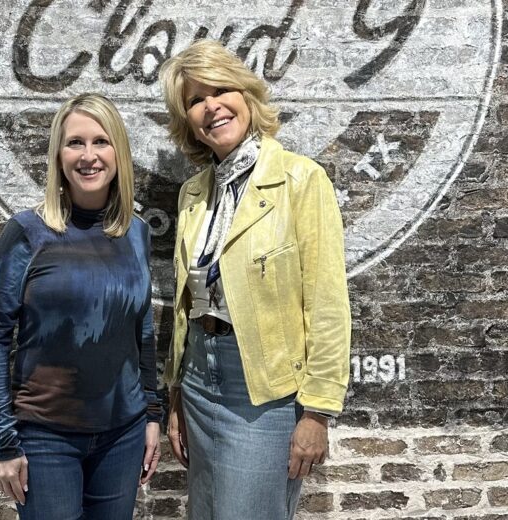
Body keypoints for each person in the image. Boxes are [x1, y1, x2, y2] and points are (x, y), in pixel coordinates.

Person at [159, 39, 351, 520]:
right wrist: (177, 396)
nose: (211, 107)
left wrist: (317, 413)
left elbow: (327, 303)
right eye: (195, 100)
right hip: (199, 379)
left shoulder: (300, 180)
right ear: (188, 121)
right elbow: (187, 306)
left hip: (263, 389)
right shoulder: (194, 194)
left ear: (246, 95)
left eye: (221, 90)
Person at [0, 93, 161, 520]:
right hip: (45, 438)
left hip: (123, 434)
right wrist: (4, 442)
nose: (89, 156)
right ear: (58, 155)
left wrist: (152, 413)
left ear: (119, 153)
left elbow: (142, 331)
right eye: (75, 142)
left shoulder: (135, 232)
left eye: (101, 141)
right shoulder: (27, 232)